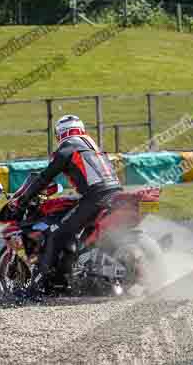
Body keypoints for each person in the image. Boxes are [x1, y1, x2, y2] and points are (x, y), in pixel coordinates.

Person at [17, 114, 121, 298]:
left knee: (56, 233)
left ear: (60, 133)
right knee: (79, 233)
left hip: (95, 197)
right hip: (115, 194)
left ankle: (37, 289)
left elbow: (45, 177)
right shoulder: (93, 146)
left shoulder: (68, 147)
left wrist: (25, 197)